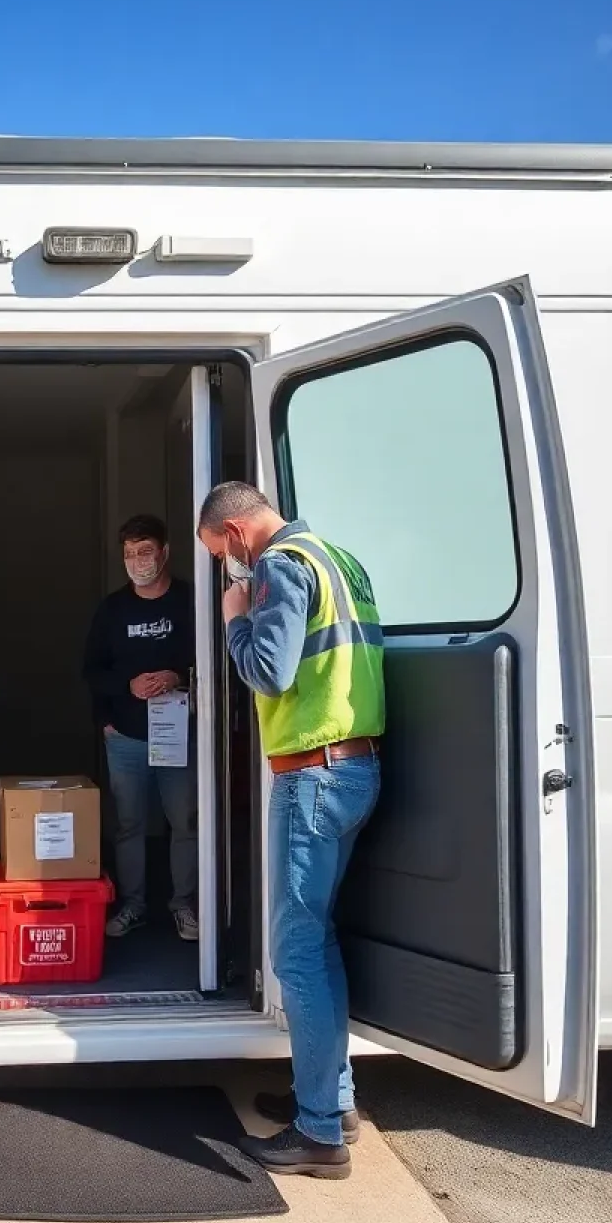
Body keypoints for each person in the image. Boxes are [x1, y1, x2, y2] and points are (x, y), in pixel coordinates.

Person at [197, 481, 384, 1179]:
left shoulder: (277, 565)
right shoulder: (339, 559)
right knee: (321, 942)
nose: (230, 568)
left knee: (297, 955)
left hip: (312, 776)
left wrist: (233, 618)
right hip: (357, 769)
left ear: (239, 534)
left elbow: (269, 674)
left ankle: (316, 1135)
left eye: (222, 555)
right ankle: (332, 1104)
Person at [82, 515, 199, 943]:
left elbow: (215, 661)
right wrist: (120, 698)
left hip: (180, 735)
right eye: (129, 554)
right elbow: (91, 670)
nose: (137, 561)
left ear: (165, 552)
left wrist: (177, 677)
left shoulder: (190, 600)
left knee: (186, 821)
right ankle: (132, 906)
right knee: (128, 824)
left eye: (145, 551)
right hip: (126, 737)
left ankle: (184, 906)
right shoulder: (113, 609)